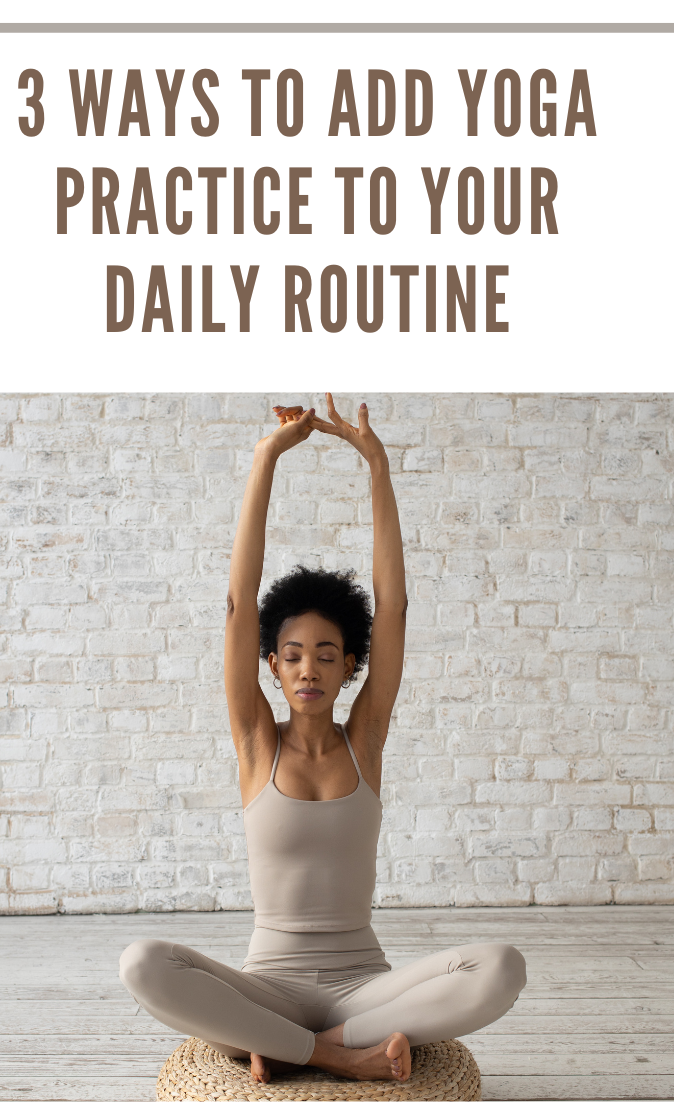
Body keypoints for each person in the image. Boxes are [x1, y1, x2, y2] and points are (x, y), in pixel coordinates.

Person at [120, 395, 527, 1084]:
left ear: (348, 666)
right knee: (142, 963)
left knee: (499, 967)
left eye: (327, 654)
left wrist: (376, 465)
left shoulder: (364, 739)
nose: (309, 667)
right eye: (294, 653)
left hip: (363, 987)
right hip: (266, 982)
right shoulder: (255, 741)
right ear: (272, 664)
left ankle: (303, 1044)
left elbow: (392, 606)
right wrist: (265, 456)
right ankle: (336, 1055)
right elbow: (235, 607)